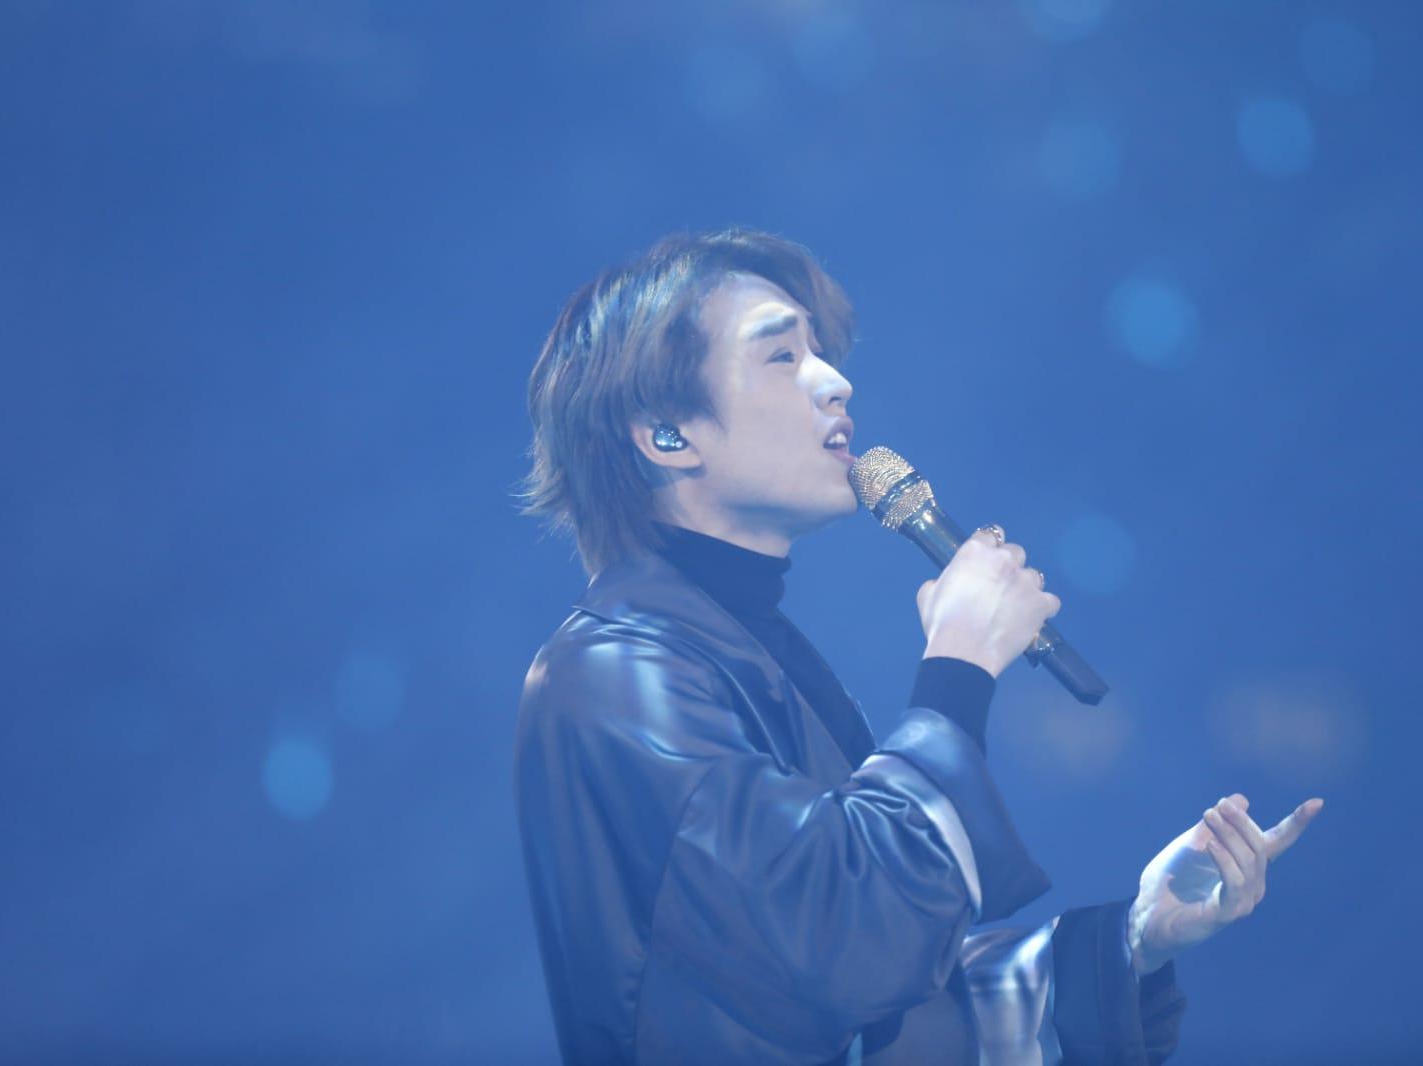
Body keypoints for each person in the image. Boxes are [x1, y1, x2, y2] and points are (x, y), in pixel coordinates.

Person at [513, 228, 1322, 1065]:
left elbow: (881, 1014)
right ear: (667, 435)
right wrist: (958, 664)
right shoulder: (614, 670)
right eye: (782, 356)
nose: (835, 381)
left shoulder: (742, 650)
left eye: (820, 352)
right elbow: (838, 944)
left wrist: (1135, 937)